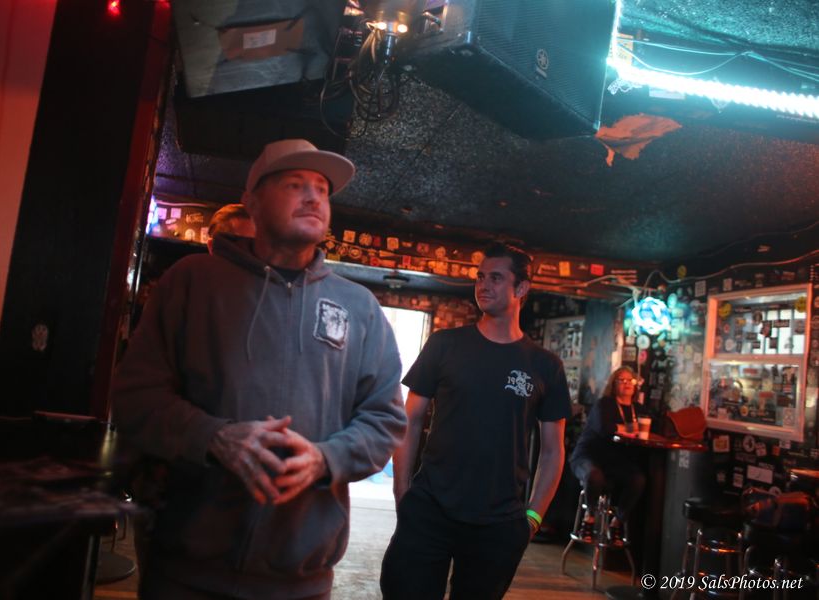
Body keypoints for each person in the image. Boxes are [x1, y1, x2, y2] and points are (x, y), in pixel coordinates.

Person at [112, 138, 407, 600]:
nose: (313, 197)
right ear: (252, 200)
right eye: (295, 184)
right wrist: (214, 437)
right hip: (185, 570)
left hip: (301, 580)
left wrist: (326, 459)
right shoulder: (192, 282)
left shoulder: (360, 306)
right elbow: (136, 395)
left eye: (322, 189)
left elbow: (384, 419)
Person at [380, 242, 571, 600]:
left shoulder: (545, 366)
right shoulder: (444, 345)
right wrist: (402, 494)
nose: (483, 285)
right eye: (480, 277)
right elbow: (410, 420)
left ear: (521, 288)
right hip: (429, 509)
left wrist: (533, 517)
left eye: (496, 278)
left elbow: (552, 451)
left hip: (499, 523)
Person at [568, 366, 647, 541]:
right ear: (613, 384)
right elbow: (605, 428)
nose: (627, 384)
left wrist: (622, 428)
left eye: (630, 380)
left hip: (614, 463)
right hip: (587, 456)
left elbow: (650, 427)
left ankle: (617, 522)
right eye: (622, 380)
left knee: (638, 479)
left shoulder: (638, 409)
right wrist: (631, 428)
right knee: (595, 475)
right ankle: (589, 517)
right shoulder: (604, 404)